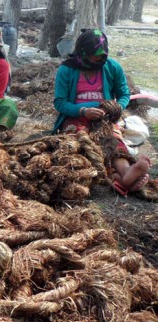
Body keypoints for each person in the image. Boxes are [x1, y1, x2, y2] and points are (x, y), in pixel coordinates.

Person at [52, 29, 149, 196]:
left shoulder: (112, 67)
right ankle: (117, 177)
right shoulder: (67, 70)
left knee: (112, 140)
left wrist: (115, 107)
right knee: (84, 144)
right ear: (82, 52)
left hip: (104, 118)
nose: (99, 59)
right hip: (76, 118)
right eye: (94, 55)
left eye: (102, 55)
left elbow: (124, 94)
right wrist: (83, 110)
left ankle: (125, 172)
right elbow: (60, 103)